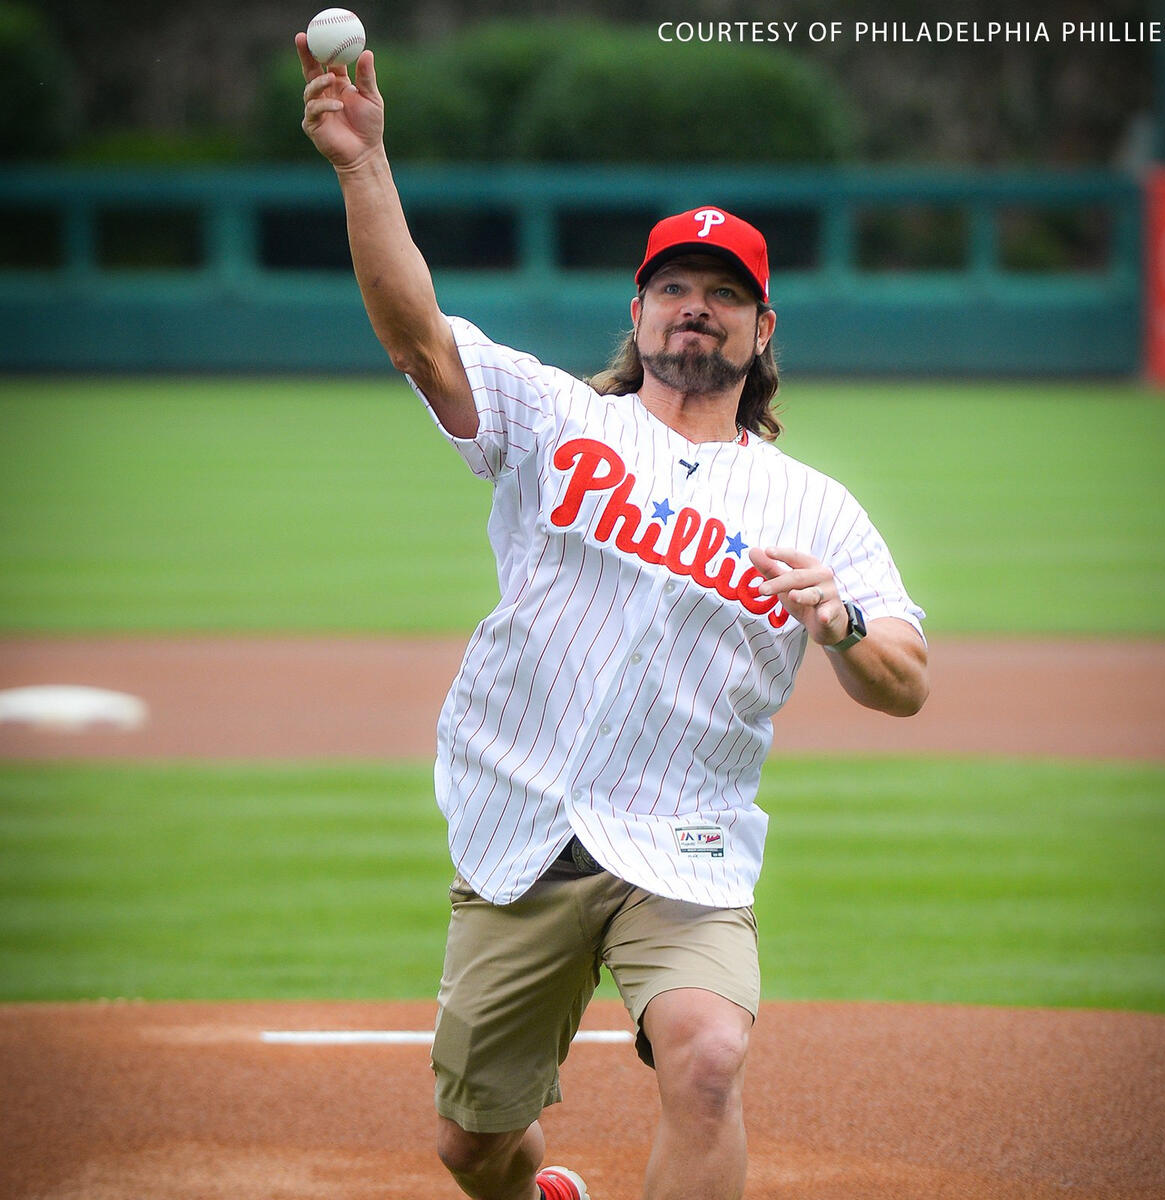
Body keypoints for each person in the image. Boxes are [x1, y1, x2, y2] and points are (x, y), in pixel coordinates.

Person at [297, 36, 929, 1200]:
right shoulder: (554, 422)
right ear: (637, 310)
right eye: (677, 288)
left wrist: (838, 620)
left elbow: (905, 672)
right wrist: (362, 166)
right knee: (473, 1146)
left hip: (682, 843)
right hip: (520, 824)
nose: (699, 311)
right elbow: (418, 333)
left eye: (726, 295)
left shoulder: (813, 509)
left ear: (763, 330)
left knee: (708, 1060)